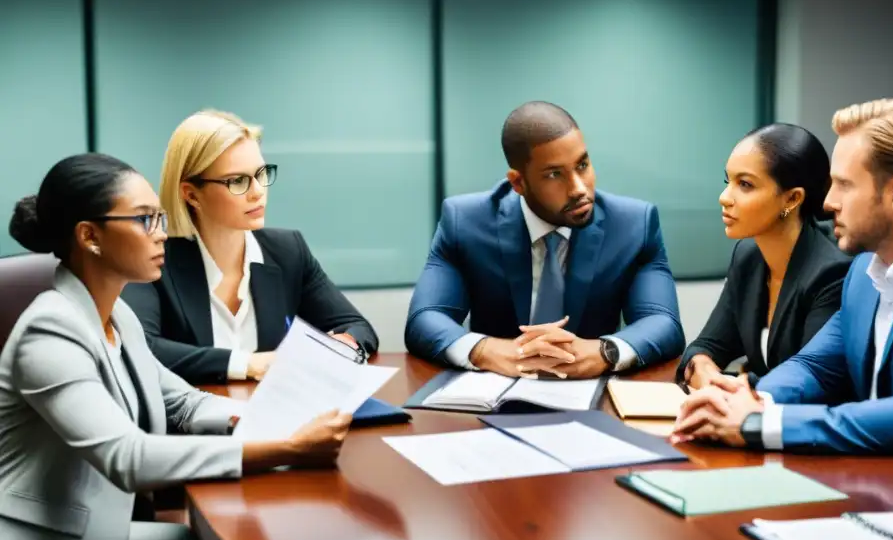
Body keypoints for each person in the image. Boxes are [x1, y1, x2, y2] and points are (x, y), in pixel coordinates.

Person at [0, 154, 352, 540]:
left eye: (160, 217)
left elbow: (182, 402)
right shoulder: (48, 331)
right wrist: (284, 449)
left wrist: (274, 419)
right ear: (89, 236)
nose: (162, 232)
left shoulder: (118, 316)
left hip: (102, 528)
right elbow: (127, 455)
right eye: (145, 219)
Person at [672, 99, 893, 487]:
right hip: (878, 484)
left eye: (843, 185)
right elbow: (816, 367)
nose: (827, 202)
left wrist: (760, 422)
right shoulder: (864, 270)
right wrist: (746, 398)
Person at [405, 101, 684, 378]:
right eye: (554, 174)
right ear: (518, 183)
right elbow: (425, 318)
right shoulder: (465, 221)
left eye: (583, 165)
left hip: (592, 396)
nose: (578, 189)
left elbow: (663, 322)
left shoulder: (634, 224)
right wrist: (487, 350)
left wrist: (603, 352)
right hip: (495, 394)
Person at [122, 110, 378, 385]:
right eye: (238, 181)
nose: (258, 191)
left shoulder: (288, 251)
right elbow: (141, 348)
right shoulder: (152, 257)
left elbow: (359, 328)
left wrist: (344, 345)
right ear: (191, 194)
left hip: (276, 416)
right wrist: (249, 364)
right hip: (192, 422)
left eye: (261, 174)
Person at [678, 124, 850, 390]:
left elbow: (809, 385)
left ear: (792, 199)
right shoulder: (748, 256)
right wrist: (702, 367)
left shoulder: (831, 273)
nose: (724, 197)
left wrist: (720, 384)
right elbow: (707, 346)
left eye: (745, 184)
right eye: (728, 181)